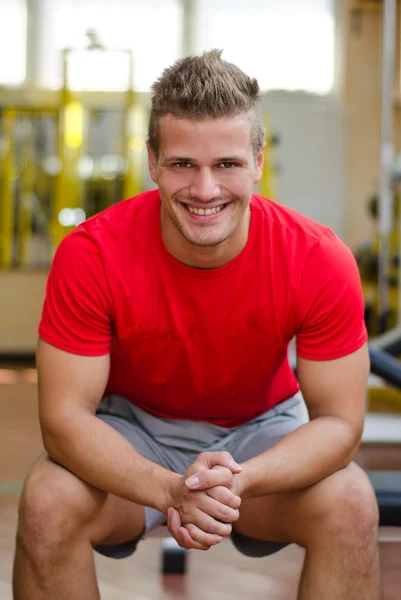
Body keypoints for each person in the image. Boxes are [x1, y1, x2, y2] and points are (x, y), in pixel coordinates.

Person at [13, 50, 381, 600]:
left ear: (257, 161)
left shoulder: (316, 258)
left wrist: (240, 480)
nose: (205, 190)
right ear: (153, 162)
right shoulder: (91, 254)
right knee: (47, 500)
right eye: (184, 164)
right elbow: (64, 419)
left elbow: (340, 425)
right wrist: (167, 488)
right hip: (133, 431)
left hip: (261, 433)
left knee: (351, 503)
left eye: (226, 165)